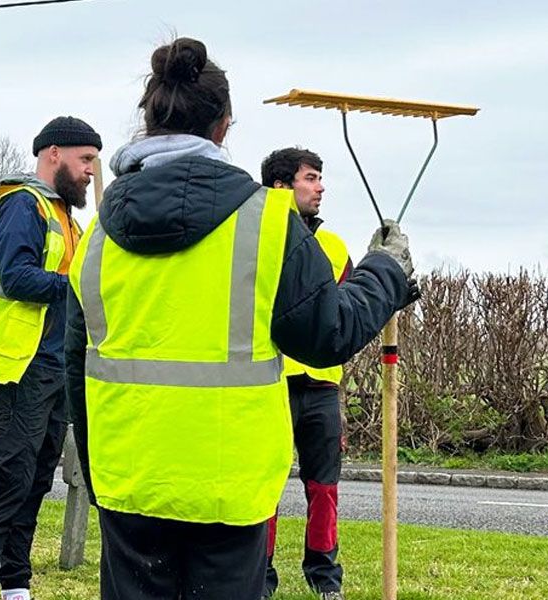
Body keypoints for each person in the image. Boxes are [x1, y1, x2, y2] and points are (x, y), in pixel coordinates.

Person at [65, 37, 417, 600]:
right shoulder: (268, 223)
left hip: (128, 479)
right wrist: (386, 271)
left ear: (149, 119)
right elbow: (327, 334)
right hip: (230, 483)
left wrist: (99, 472)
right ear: (224, 126)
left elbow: (73, 372)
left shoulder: (98, 237)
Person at [0, 116, 102, 600]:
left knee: (37, 479)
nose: (89, 172)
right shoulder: (23, 204)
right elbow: (18, 278)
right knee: (9, 480)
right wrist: (82, 288)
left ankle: (16, 584)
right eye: (85, 160)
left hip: (53, 366)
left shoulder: (68, 217)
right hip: (16, 364)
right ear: (53, 154)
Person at [258, 147, 350, 600]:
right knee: (264, 489)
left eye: (320, 178)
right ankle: (261, 576)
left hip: (321, 386)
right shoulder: (256, 241)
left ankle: (324, 577)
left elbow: (350, 315)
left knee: (324, 487)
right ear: (281, 186)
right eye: (311, 178)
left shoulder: (333, 247)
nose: (321, 187)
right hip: (269, 382)